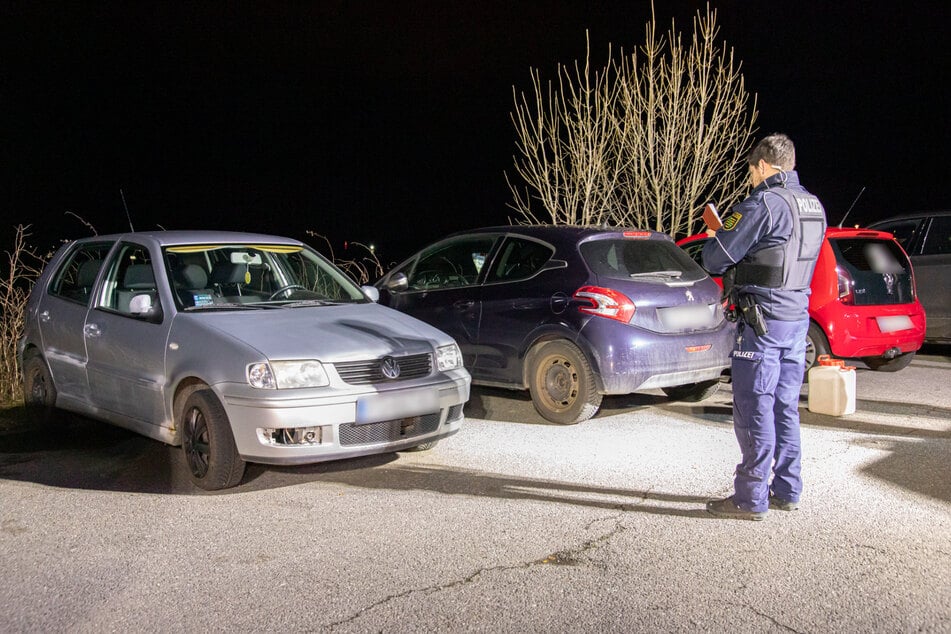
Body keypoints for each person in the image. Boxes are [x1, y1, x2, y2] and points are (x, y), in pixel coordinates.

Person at [701, 133, 827, 520]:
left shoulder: (765, 204)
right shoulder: (813, 204)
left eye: (752, 171)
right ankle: (788, 490)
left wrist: (716, 235)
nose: (751, 178)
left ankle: (749, 499)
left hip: (763, 322)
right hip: (796, 321)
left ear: (763, 166)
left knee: (754, 407)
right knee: (785, 408)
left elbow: (714, 258)